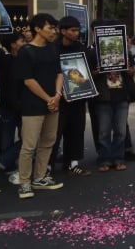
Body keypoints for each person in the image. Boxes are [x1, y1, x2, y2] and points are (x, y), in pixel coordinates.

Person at [16, 13, 64, 198]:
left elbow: (59, 73)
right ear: (37, 29)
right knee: (28, 146)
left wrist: (57, 95)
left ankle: (40, 177)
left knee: (48, 141)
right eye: (50, 27)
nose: (53, 31)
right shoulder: (26, 51)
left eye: (54, 27)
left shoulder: (53, 49)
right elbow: (28, 81)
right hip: (33, 104)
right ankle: (24, 182)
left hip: (53, 102)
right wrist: (49, 99)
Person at [49, 16, 92, 177]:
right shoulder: (53, 48)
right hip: (59, 98)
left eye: (77, 30)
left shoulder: (81, 48)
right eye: (72, 30)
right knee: (55, 133)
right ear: (63, 31)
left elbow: (85, 72)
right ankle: (47, 166)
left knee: (76, 131)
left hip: (78, 97)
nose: (76, 33)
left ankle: (73, 163)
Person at [0, 33, 25, 193]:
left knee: (29, 139)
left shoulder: (26, 59)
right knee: (5, 141)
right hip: (6, 107)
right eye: (21, 40)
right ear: (12, 44)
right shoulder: (2, 61)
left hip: (24, 107)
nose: (25, 43)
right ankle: (8, 169)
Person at [92, 67, 134, 172]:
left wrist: (128, 67)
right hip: (103, 98)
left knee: (121, 132)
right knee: (104, 132)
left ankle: (118, 159)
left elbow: (132, 72)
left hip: (122, 97)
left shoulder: (125, 52)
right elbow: (89, 74)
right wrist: (98, 70)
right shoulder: (94, 53)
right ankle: (104, 160)